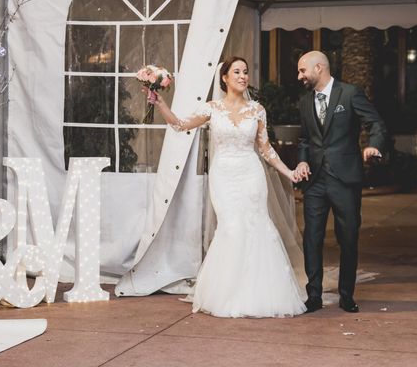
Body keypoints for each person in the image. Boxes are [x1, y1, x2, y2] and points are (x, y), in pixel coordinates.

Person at [147, 56, 306, 318]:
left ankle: (259, 293)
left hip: (251, 175)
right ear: (225, 78)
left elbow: (265, 149)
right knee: (231, 227)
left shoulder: (257, 110)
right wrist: (161, 102)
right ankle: (227, 293)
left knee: (256, 226)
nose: (243, 76)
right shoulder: (211, 108)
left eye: (245, 72)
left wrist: (288, 172)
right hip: (223, 177)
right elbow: (180, 125)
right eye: (237, 72)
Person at [294, 51, 387, 313]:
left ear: (319, 68)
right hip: (314, 182)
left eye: (303, 71)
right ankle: (314, 296)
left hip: (345, 179)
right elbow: (305, 139)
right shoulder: (304, 102)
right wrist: (302, 161)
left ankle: (347, 295)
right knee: (312, 238)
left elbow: (376, 123)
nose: (299, 76)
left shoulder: (349, 93)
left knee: (348, 237)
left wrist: (374, 146)